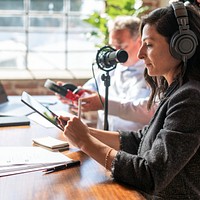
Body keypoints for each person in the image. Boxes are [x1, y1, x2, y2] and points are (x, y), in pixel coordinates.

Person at [59, 1, 200, 199]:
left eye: (149, 45)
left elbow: (150, 174)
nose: (141, 54)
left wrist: (85, 142)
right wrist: (85, 132)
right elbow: (140, 140)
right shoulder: (176, 90)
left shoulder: (190, 98)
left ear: (182, 46)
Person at [57, 15, 156, 131]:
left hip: (135, 145)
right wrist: (73, 96)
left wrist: (105, 104)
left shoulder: (154, 71)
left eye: (121, 46)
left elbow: (149, 111)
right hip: (104, 139)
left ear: (139, 41)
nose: (114, 52)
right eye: (113, 45)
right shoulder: (111, 68)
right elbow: (90, 89)